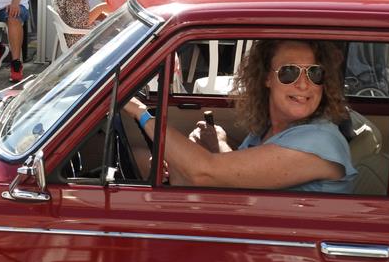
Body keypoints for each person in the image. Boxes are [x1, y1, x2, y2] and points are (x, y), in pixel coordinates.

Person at [123, 39, 356, 192]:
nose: (304, 84)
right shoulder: (270, 129)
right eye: (289, 72)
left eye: (314, 73)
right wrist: (215, 145)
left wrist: (140, 112)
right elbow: (244, 180)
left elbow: (205, 172)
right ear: (266, 78)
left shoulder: (320, 141)